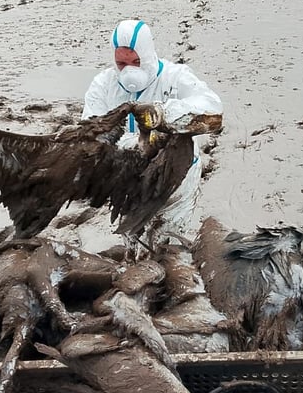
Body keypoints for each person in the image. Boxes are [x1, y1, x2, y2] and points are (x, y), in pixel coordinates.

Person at [82, 19, 223, 243]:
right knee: (133, 239)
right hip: (129, 179)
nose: (129, 70)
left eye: (137, 62)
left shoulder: (174, 77)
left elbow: (212, 109)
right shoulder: (103, 85)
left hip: (177, 177)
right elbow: (90, 134)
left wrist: (163, 115)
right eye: (122, 63)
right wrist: (130, 145)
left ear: (148, 54)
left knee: (167, 241)